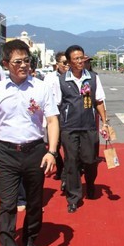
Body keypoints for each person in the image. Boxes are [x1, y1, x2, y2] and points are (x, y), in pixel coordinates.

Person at [0, 39, 59, 246]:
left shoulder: (41, 87)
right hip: (5, 153)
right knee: (7, 204)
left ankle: (31, 238)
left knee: (34, 202)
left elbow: (53, 120)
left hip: (35, 151)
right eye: (17, 62)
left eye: (26, 61)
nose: (23, 65)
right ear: (5, 64)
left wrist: (52, 151)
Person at [59, 45, 109, 213]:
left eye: (82, 58)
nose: (80, 61)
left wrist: (105, 122)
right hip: (69, 127)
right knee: (72, 162)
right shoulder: (61, 80)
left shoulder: (93, 78)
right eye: (76, 59)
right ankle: (73, 197)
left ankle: (90, 183)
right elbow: (56, 105)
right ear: (69, 62)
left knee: (90, 161)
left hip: (89, 126)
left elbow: (99, 101)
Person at [43, 51, 68, 181]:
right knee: (55, 144)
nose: (66, 65)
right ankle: (60, 167)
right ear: (57, 64)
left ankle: (66, 174)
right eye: (64, 63)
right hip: (54, 112)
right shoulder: (50, 78)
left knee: (69, 144)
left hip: (69, 112)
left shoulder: (73, 76)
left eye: (68, 62)